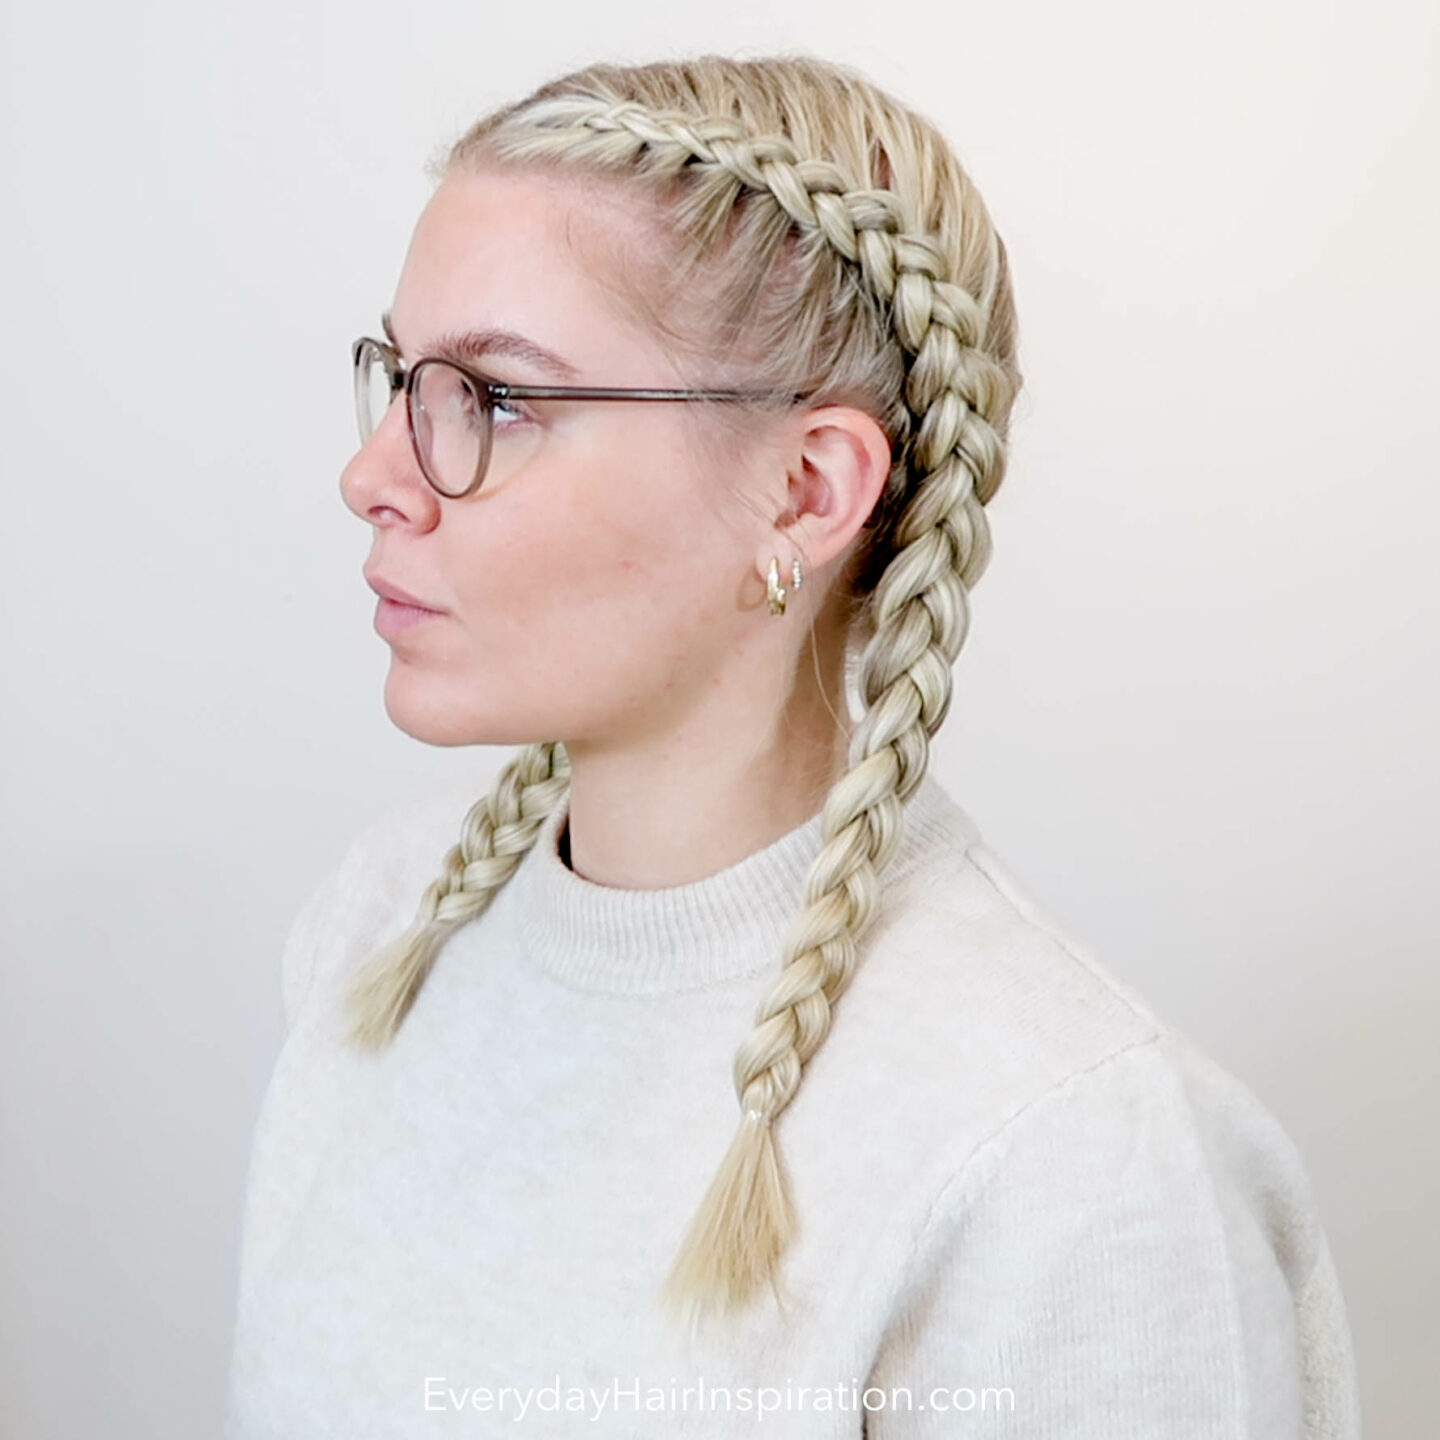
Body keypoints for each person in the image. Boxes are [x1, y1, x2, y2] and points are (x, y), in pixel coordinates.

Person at [223, 53, 1362, 1439]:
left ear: (808, 491)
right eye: (402, 376)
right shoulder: (379, 933)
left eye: (498, 398)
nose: (374, 476)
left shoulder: (1080, 1168)